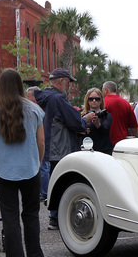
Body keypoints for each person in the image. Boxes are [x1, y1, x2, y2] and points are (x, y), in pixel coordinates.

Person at [0, 69, 46, 257]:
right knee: (31, 215)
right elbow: (41, 141)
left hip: (4, 170)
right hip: (30, 168)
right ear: (20, 85)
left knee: (10, 217)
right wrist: (38, 160)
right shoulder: (34, 109)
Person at [35, 68, 95, 230]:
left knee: (55, 182)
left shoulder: (43, 97)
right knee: (64, 183)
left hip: (49, 145)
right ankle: (56, 218)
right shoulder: (57, 98)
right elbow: (73, 122)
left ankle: (54, 218)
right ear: (61, 81)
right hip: (61, 146)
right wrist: (86, 119)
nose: (68, 85)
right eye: (68, 82)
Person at [27, 86, 51, 202]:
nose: (27, 98)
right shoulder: (39, 108)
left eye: (28, 96)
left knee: (44, 166)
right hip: (40, 139)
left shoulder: (37, 109)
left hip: (42, 138)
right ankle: (43, 191)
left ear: (33, 96)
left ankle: (44, 192)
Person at [101, 80, 137, 145]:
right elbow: (133, 126)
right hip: (123, 142)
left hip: (107, 142)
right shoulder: (126, 104)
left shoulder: (103, 103)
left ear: (106, 90)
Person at [81, 87, 113, 154]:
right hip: (86, 151)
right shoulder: (82, 115)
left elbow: (106, 130)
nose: (94, 101)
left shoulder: (106, 115)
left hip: (103, 151)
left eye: (97, 99)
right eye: (91, 99)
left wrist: (97, 124)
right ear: (87, 100)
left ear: (101, 100)